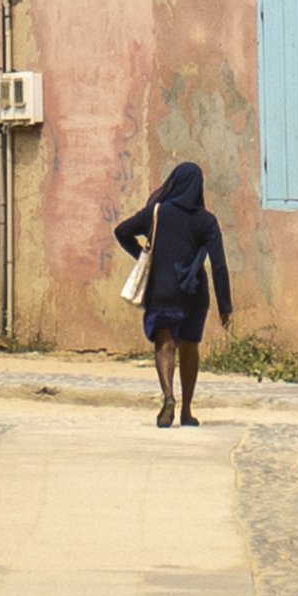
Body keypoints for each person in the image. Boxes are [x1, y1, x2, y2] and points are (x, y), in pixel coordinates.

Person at [114, 160, 232, 428]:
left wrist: (144, 255)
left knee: (165, 345)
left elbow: (121, 231)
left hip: (162, 291)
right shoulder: (207, 221)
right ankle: (187, 411)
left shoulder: (157, 213)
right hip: (194, 294)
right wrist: (225, 306)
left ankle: (168, 397)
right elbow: (220, 265)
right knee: (190, 348)